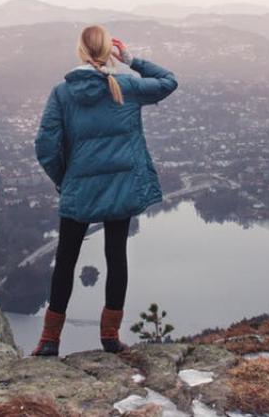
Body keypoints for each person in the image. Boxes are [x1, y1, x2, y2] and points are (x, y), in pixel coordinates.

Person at [31, 24, 179, 356]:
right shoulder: (125, 84)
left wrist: (63, 179)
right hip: (121, 188)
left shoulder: (63, 93)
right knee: (116, 257)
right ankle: (110, 337)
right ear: (107, 52)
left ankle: (49, 340)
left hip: (79, 189)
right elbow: (169, 81)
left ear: (81, 52)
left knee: (66, 260)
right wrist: (132, 60)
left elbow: (45, 146)